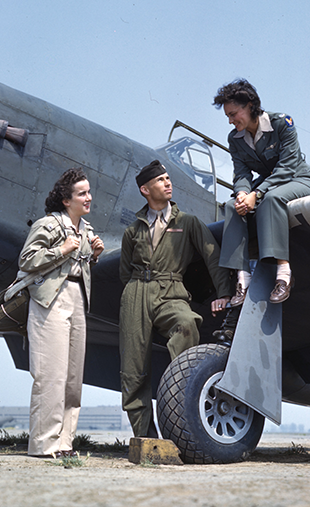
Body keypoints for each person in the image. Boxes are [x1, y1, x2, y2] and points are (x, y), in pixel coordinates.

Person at [119, 160, 233, 437]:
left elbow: (212, 257)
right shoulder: (132, 231)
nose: (168, 183)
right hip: (136, 292)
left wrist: (224, 293)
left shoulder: (188, 223)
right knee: (133, 371)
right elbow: (124, 271)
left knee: (186, 323)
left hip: (172, 289)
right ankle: (145, 438)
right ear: (145, 190)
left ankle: (181, 403)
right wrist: (136, 295)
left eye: (168, 178)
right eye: (160, 180)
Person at [18, 167, 104, 458]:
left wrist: (93, 255)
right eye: (83, 193)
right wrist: (63, 249)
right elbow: (26, 260)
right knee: (50, 374)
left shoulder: (87, 230)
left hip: (78, 298)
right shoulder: (48, 224)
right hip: (51, 301)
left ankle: (65, 443)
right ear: (67, 200)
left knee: (72, 378)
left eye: (89, 192)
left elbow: (79, 268)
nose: (89, 198)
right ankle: (44, 445)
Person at [212, 79, 310, 304]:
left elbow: (287, 166)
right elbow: (241, 173)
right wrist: (242, 193)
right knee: (232, 206)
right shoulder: (235, 139)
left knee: (272, 199)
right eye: (228, 117)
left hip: (298, 178)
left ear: (250, 106)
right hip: (266, 184)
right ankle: (242, 279)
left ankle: (283, 275)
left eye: (233, 114)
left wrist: (257, 194)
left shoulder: (282, 123)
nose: (231, 121)